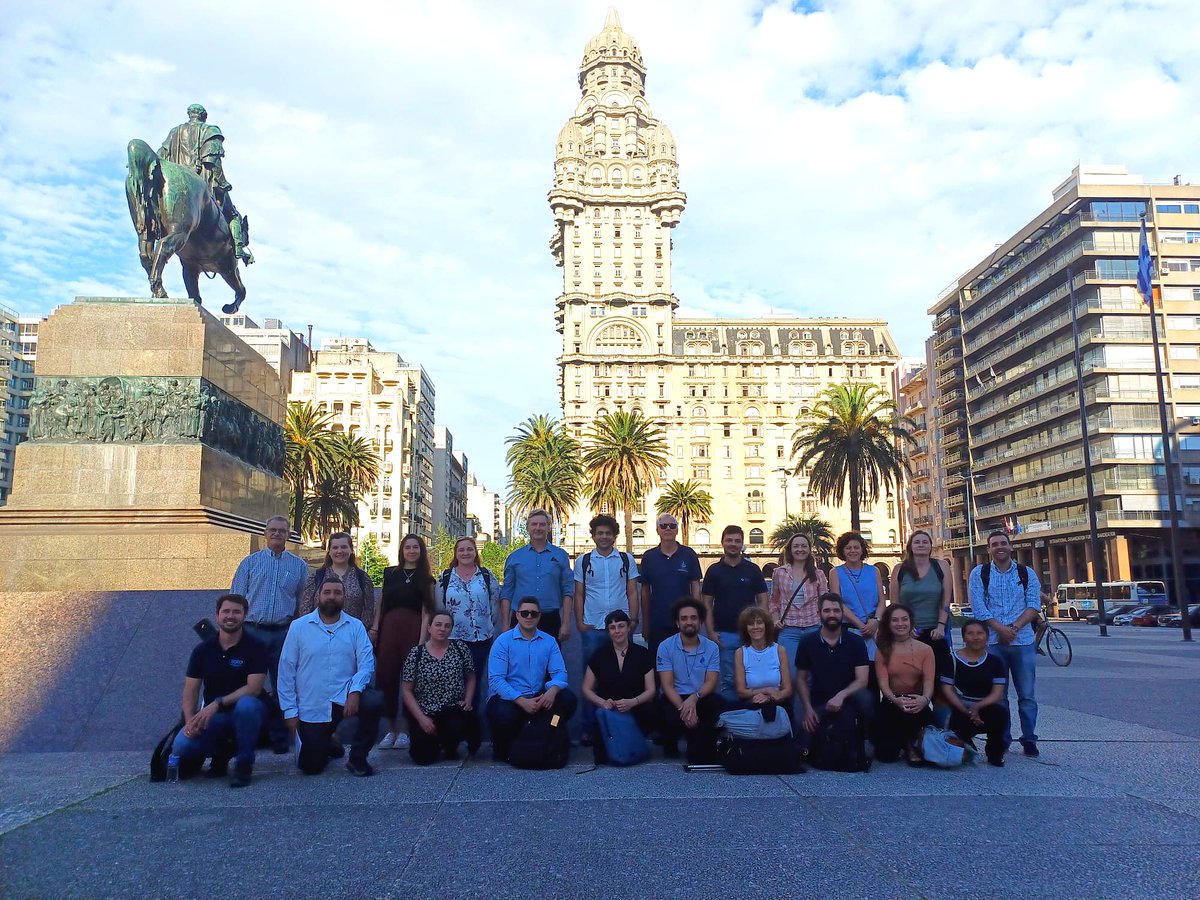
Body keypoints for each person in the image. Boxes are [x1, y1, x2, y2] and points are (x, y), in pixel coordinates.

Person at [277, 577, 383, 777]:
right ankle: (328, 742)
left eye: (337, 592)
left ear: (344, 597)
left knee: (374, 700)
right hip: (313, 703)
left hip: (345, 696)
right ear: (318, 596)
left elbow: (366, 663)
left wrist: (355, 691)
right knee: (310, 767)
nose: (332, 597)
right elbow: (286, 671)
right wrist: (290, 712)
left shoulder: (355, 626)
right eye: (327, 592)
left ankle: (357, 758)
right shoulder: (299, 627)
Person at [230, 515, 308, 754]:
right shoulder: (249, 563)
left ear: (288, 535)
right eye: (272, 530)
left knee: (283, 686)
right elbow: (236, 598)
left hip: (283, 633)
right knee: (248, 684)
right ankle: (246, 733)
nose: (276, 534)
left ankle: (279, 735)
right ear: (265, 533)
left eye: (282, 531)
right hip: (252, 631)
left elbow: (303, 602)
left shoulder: (299, 566)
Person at [171, 593, 266, 787]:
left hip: (245, 714)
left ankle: (244, 765)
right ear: (217, 615)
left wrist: (217, 703)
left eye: (236, 612)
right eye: (226, 611)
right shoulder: (202, 650)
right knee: (181, 746)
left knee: (247, 705)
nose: (230, 616)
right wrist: (190, 723)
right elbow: (190, 691)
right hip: (213, 717)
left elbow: (254, 688)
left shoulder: (256, 647)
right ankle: (220, 756)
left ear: (245, 616)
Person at [968, 530, 1043, 757]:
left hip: (1023, 642)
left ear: (1011, 546)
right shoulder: (979, 573)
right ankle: (1002, 738)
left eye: (1003, 543)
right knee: (998, 695)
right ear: (988, 549)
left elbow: (1033, 605)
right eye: (994, 544)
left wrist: (1014, 628)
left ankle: (1029, 739)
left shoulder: (1026, 573)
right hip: (993, 642)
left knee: (1027, 695)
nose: (999, 547)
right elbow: (978, 607)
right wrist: (1000, 629)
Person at [157, 103, 253, 263]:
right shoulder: (210, 130)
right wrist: (222, 183)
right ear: (204, 116)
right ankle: (238, 249)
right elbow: (212, 161)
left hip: (175, 186)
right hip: (203, 182)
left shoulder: (175, 132)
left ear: (190, 115)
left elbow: (161, 155)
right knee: (233, 214)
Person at [486, 597, 578, 764]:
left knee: (568, 700)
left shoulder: (549, 641)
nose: (529, 616)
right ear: (517, 615)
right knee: (503, 714)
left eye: (533, 613)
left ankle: (551, 733)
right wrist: (521, 701)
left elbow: (560, 673)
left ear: (539, 616)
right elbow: (496, 680)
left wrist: (552, 691)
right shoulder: (503, 642)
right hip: (510, 698)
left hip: (538, 697)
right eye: (524, 613)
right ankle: (505, 749)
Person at [573, 514, 639, 744]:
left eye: (608, 533)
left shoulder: (626, 559)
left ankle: (624, 726)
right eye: (599, 533)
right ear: (593, 536)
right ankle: (589, 728)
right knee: (591, 680)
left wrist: (633, 619)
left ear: (614, 536)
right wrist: (580, 623)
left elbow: (632, 591)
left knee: (624, 676)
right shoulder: (583, 561)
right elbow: (579, 594)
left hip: (621, 628)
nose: (603, 537)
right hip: (593, 628)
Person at [372, 534, 437, 751]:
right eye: (407, 547)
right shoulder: (390, 573)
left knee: (411, 681)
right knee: (386, 678)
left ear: (421, 551)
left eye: (415, 547)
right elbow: (381, 604)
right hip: (389, 629)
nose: (411, 551)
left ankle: (406, 730)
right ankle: (391, 729)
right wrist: (375, 628)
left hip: (413, 629)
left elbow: (427, 611)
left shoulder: (426, 579)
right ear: (402, 550)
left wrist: (421, 641)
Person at [794, 593, 875, 753]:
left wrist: (841, 695)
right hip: (819, 700)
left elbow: (862, 680)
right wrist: (807, 709)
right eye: (827, 610)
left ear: (842, 614)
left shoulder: (856, 641)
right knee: (805, 747)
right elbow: (801, 679)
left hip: (849, 698)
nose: (832, 614)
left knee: (866, 698)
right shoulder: (807, 642)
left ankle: (863, 738)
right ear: (819, 613)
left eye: (836, 610)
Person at [401, 610, 480, 765]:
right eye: (438, 625)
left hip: (451, 709)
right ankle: (434, 743)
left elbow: (471, 676)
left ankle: (450, 744)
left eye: (447, 626)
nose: (442, 629)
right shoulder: (416, 654)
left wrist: (468, 700)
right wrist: (421, 718)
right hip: (424, 710)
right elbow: (406, 690)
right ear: (429, 628)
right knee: (422, 758)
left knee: (460, 725)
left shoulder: (460, 649)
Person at [436, 536, 501, 717]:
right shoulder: (445, 577)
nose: (465, 553)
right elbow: (439, 608)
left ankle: (472, 724)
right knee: (454, 682)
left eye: (469, 549)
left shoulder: (487, 576)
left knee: (476, 681)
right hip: (452, 640)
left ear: (475, 552)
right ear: (456, 553)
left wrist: (485, 625)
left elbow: (494, 606)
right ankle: (455, 724)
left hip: (480, 640)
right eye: (461, 550)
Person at [702, 525, 769, 700]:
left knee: (753, 677)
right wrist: (710, 632)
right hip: (724, 635)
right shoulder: (714, 571)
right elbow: (706, 604)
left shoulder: (753, 570)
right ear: (722, 542)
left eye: (737, 541)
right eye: (729, 540)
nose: (733, 544)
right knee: (728, 680)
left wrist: (762, 628)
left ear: (742, 544)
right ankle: (732, 713)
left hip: (751, 634)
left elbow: (763, 600)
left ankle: (752, 711)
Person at [581, 609, 657, 763]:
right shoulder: (599, 655)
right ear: (608, 631)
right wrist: (603, 702)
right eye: (612, 627)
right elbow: (586, 689)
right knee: (605, 756)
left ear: (629, 628)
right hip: (609, 710)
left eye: (621, 626)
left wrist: (633, 702)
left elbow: (651, 690)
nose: (617, 631)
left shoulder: (642, 654)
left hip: (636, 708)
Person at [657, 597, 724, 762]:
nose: (689, 622)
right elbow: (667, 685)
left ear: (700, 621)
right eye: (684, 618)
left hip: (700, 696)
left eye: (693, 618)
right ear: (677, 623)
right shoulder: (665, 646)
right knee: (660, 708)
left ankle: (701, 741)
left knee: (718, 705)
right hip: (676, 699)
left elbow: (711, 681)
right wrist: (684, 709)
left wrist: (694, 699)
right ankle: (671, 742)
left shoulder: (712, 647)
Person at [940, 619, 1010, 767]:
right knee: (958, 731)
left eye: (980, 633)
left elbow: (997, 693)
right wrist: (966, 711)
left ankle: (995, 754)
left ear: (987, 636)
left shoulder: (996, 662)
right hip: (959, 707)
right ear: (964, 638)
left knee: (1000, 714)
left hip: (985, 705)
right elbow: (947, 689)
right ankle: (965, 743)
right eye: (970, 633)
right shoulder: (951, 659)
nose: (975, 637)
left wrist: (977, 707)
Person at [874, 603, 935, 765]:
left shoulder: (926, 649)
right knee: (886, 756)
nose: (900, 624)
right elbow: (883, 683)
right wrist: (895, 700)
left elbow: (929, 681)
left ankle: (911, 741)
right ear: (888, 623)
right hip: (892, 701)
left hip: (916, 702)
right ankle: (903, 740)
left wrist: (925, 699)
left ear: (911, 621)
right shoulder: (882, 650)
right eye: (894, 620)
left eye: (904, 619)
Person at [890, 530, 954, 684]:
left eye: (925, 542)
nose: (921, 545)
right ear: (910, 546)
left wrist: (940, 626)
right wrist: (904, 628)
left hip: (936, 632)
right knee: (911, 681)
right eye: (917, 542)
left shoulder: (941, 566)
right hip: (909, 633)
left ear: (931, 546)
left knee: (940, 680)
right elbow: (895, 604)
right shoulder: (900, 569)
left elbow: (945, 601)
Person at [501, 510, 573, 640]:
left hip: (550, 619)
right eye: (534, 524)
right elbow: (507, 593)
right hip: (520, 618)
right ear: (527, 527)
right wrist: (505, 625)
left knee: (550, 653)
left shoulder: (560, 556)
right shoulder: (514, 557)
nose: (538, 528)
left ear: (549, 528)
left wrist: (566, 623)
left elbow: (568, 591)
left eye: (542, 524)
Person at [638, 514, 702, 657]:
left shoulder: (689, 554)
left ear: (677, 530)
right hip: (657, 622)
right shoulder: (649, 557)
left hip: (684, 621)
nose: (668, 528)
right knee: (658, 662)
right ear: (657, 530)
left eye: (672, 526)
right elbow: (645, 592)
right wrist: (645, 624)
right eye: (663, 526)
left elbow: (696, 588)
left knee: (686, 661)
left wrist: (696, 618)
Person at [770, 533, 829, 675]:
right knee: (790, 673)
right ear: (790, 549)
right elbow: (774, 601)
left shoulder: (818, 574)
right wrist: (775, 620)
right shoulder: (779, 573)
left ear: (809, 549)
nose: (800, 549)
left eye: (804, 546)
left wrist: (824, 624)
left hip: (813, 627)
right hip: (788, 629)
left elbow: (824, 602)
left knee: (814, 672)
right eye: (796, 546)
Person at [828, 532, 885, 660]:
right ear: (842, 550)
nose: (852, 551)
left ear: (862, 549)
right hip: (849, 628)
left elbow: (882, 600)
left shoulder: (874, 571)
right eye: (848, 548)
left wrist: (876, 620)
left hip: (874, 627)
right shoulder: (835, 573)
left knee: (875, 665)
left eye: (856, 547)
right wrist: (860, 625)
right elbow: (838, 603)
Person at [298, 532, 375, 624]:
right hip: (319, 631)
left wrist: (360, 630)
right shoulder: (316, 577)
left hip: (351, 631)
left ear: (351, 550)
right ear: (329, 551)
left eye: (344, 547)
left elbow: (368, 610)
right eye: (335, 548)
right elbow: (305, 608)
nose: (339, 551)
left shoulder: (363, 578)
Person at [732, 606, 792, 720]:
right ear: (745, 628)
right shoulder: (740, 653)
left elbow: (788, 690)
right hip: (751, 704)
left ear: (766, 626)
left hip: (776, 704)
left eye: (759, 623)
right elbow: (741, 691)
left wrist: (769, 697)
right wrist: (766, 690)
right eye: (751, 624)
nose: (755, 627)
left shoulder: (779, 650)